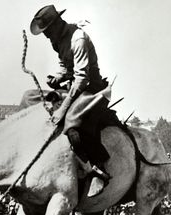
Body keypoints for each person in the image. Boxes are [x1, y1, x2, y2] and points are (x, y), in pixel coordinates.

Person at [30, 5, 112, 197]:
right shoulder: (56, 40)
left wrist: (62, 109)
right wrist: (57, 78)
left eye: (47, 30)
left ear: (57, 24)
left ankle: (98, 170)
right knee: (30, 97)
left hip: (92, 90)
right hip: (73, 86)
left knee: (73, 122)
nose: (46, 36)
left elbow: (82, 78)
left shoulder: (78, 39)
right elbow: (66, 68)